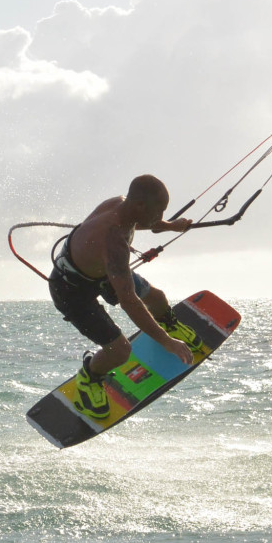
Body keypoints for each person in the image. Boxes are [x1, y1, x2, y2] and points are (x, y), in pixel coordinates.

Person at [49, 175, 203, 419]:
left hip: (99, 273)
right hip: (71, 290)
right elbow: (129, 301)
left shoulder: (122, 205)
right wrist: (165, 342)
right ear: (140, 205)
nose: (161, 215)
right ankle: (90, 377)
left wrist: (172, 225)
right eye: (159, 210)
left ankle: (169, 324)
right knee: (120, 351)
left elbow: (148, 223)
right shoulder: (113, 240)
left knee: (157, 298)